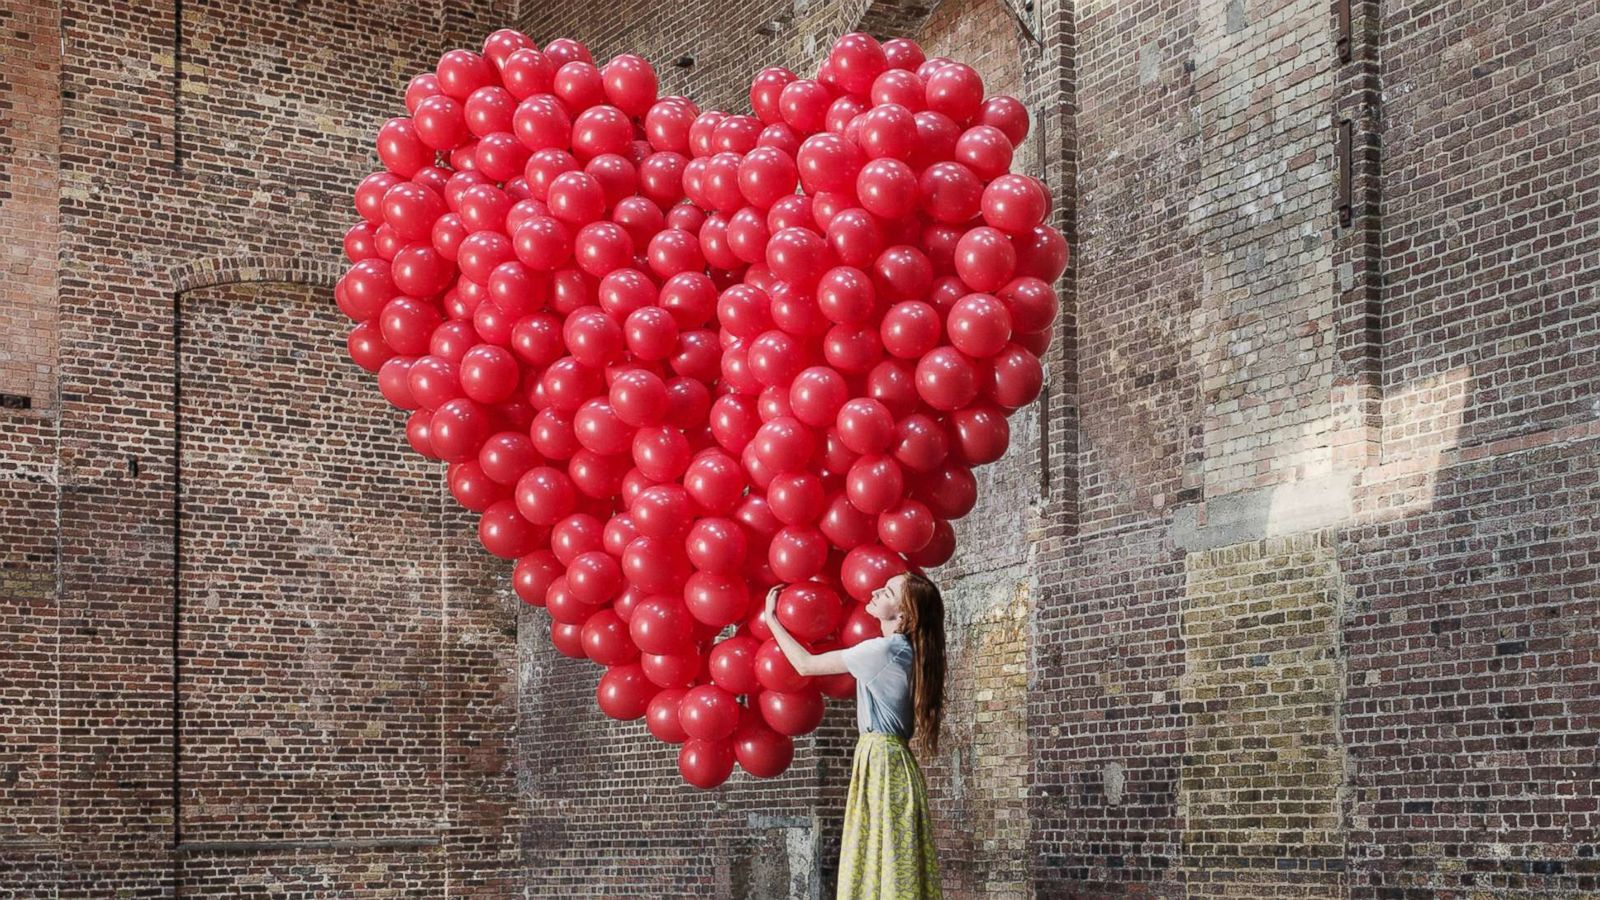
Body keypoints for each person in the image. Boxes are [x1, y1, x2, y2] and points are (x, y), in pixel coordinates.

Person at [763, 571, 946, 899]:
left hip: (882, 764)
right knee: (887, 859)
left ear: (904, 614)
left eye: (888, 591)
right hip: (891, 762)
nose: (875, 591)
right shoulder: (907, 650)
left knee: (876, 857)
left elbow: (805, 665)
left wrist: (772, 619)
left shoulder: (884, 650)